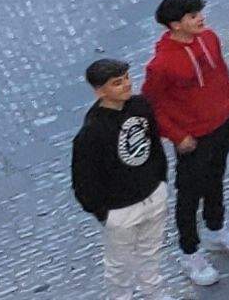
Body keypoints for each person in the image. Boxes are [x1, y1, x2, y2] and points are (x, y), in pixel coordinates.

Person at [143, 0, 229, 283]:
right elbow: (152, 105)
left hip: (222, 122)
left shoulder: (209, 38)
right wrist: (177, 135)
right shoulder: (160, 66)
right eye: (193, 16)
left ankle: (216, 229)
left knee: (215, 178)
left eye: (199, 14)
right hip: (192, 136)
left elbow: (220, 73)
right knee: (189, 193)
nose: (201, 19)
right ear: (175, 24)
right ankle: (189, 251)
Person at [76, 58, 176, 300]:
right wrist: (105, 213)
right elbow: (84, 181)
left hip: (152, 195)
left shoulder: (140, 105)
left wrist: (159, 181)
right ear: (100, 91)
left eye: (127, 78)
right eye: (117, 83)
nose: (127, 85)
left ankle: (155, 294)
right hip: (120, 211)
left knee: (151, 254)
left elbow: (154, 144)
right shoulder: (92, 132)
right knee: (119, 267)